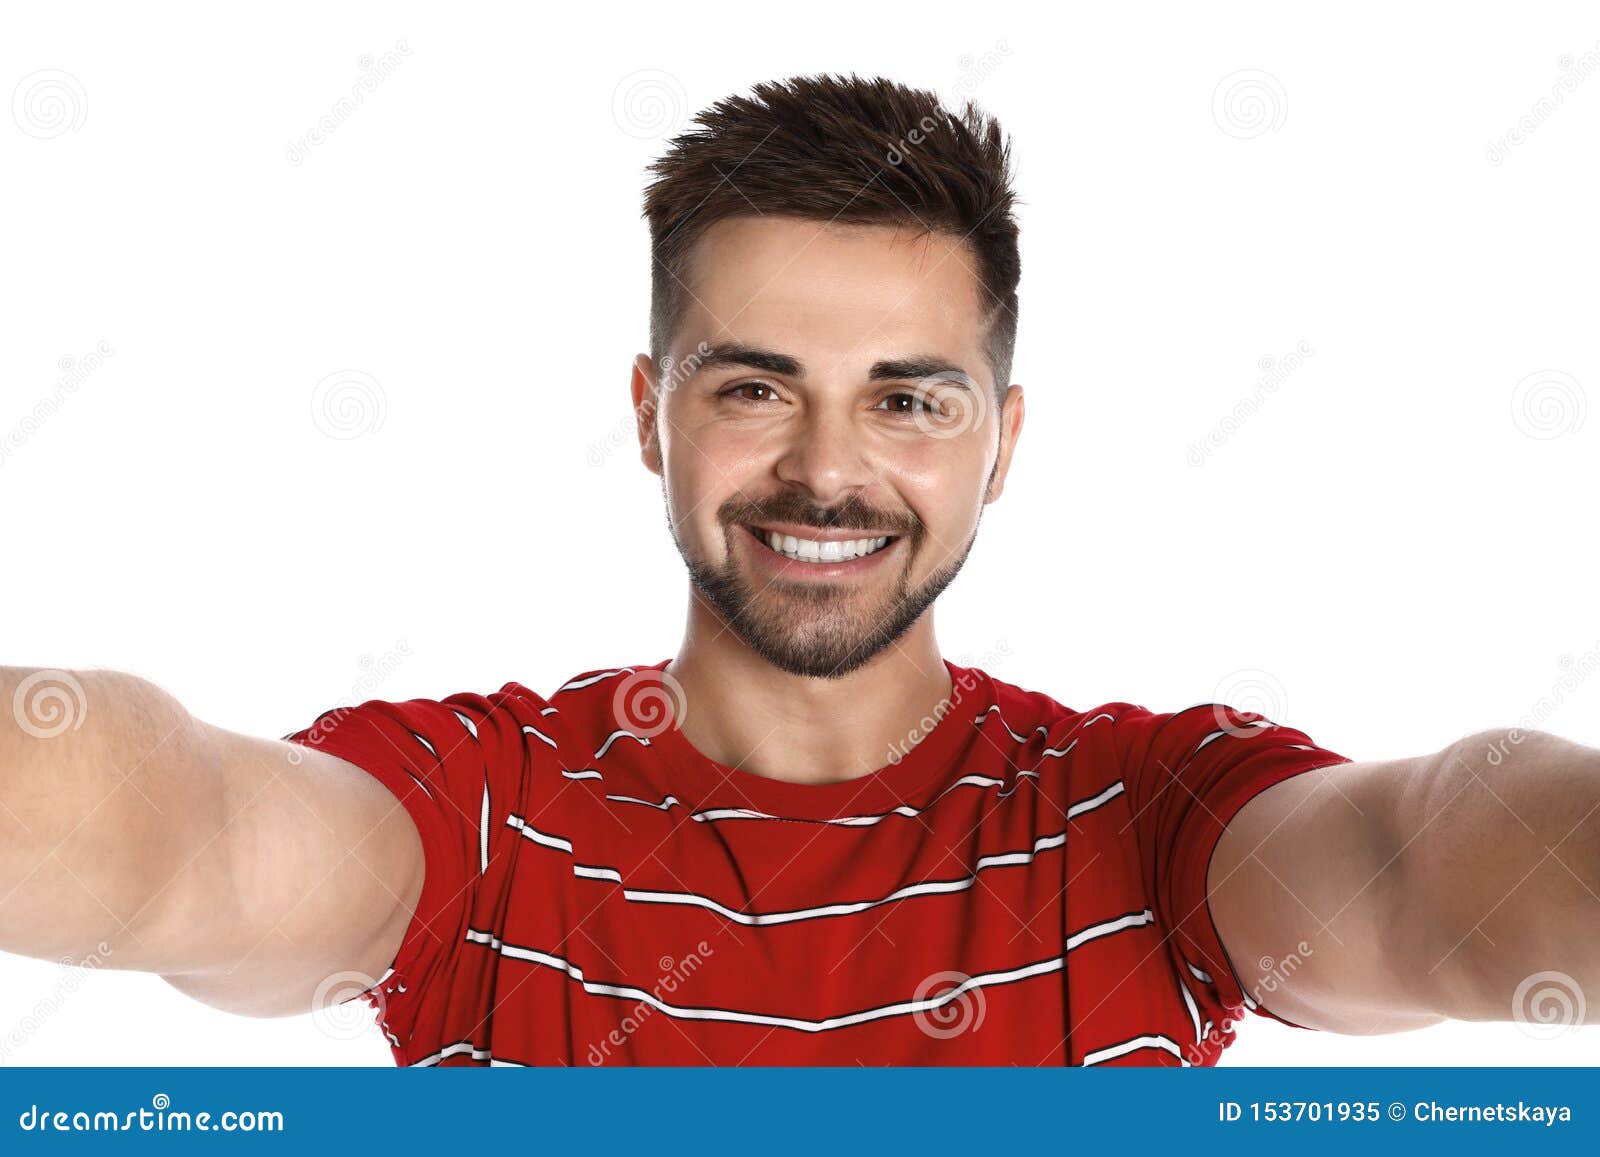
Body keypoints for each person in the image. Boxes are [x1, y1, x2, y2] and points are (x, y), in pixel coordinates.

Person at [2, 73, 1596, 1067]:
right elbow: (168, 830)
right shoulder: (488, 817)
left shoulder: (1146, 818)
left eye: (908, 398)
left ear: (1001, 439)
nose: (828, 470)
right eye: (754, 386)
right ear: (653, 416)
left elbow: (1445, 863)